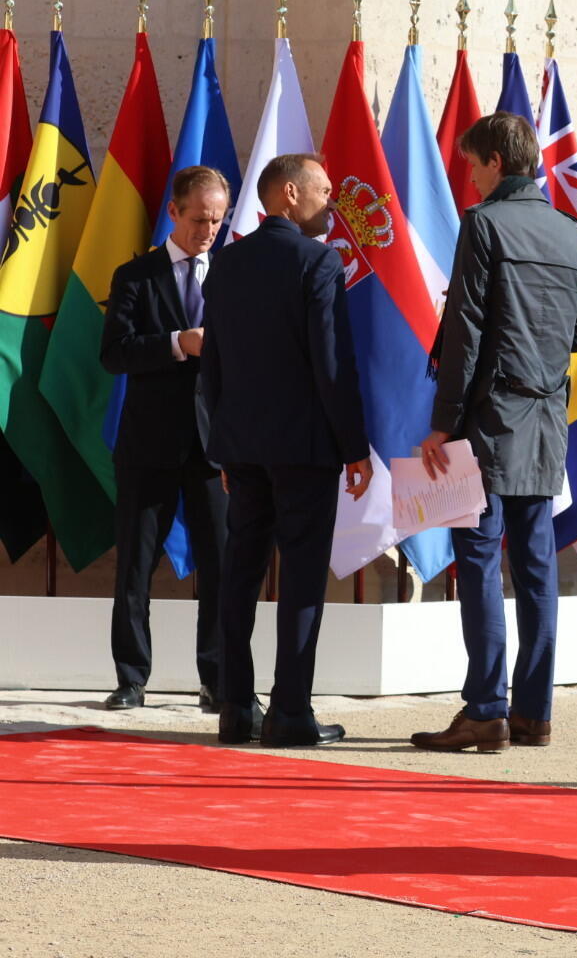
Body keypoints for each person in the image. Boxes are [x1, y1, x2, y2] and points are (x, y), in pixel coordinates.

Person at [411, 112, 577, 754]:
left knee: (481, 560)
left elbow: (464, 334)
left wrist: (442, 426)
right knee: (538, 568)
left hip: (487, 424)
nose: (469, 174)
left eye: (472, 162)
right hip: (544, 425)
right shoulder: (574, 236)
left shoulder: (483, 224)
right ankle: (534, 714)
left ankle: (486, 708)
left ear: (494, 161)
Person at [200, 153, 372, 747]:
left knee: (240, 576)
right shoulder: (318, 262)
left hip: (242, 450)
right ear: (291, 194)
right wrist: (355, 446)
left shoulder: (225, 264)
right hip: (304, 452)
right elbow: (332, 365)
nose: (333, 202)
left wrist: (222, 448)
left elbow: (213, 365)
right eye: (326, 190)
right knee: (299, 579)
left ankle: (234, 710)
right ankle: (290, 714)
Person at [98, 166, 233, 712]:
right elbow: (115, 354)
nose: (208, 230)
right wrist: (179, 342)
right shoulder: (135, 277)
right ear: (173, 212)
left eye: (218, 221)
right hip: (149, 442)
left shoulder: (230, 274)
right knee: (135, 562)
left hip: (213, 446)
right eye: (199, 218)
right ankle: (131, 678)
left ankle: (217, 679)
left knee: (221, 565)